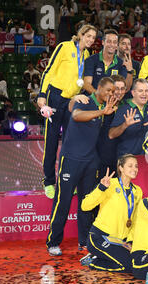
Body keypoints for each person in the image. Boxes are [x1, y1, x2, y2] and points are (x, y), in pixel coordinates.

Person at [45, 77, 118, 257]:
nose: (111, 93)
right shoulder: (85, 100)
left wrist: (106, 113)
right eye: (108, 90)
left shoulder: (106, 109)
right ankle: (53, 242)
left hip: (90, 161)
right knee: (63, 201)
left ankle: (84, 241)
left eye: (113, 91)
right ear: (98, 88)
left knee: (86, 202)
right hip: (71, 159)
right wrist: (101, 112)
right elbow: (76, 116)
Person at [38, 24, 98, 199]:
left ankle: (66, 181)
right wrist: (42, 94)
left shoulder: (86, 55)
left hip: (71, 101)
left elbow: (80, 82)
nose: (90, 40)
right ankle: (48, 181)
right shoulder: (64, 47)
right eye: (88, 36)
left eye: (93, 38)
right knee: (51, 141)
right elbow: (49, 71)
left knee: (69, 143)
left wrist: (79, 96)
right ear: (80, 34)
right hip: (55, 97)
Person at [80, 154, 143, 272]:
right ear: (121, 168)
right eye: (130, 166)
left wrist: (130, 240)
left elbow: (135, 219)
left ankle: (99, 257)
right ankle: (93, 262)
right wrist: (101, 188)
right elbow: (85, 206)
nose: (134, 169)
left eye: (136, 166)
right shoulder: (109, 184)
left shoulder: (137, 191)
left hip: (120, 241)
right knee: (129, 266)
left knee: (136, 262)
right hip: (100, 237)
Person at [109, 78, 148, 159]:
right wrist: (125, 125)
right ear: (133, 93)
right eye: (140, 91)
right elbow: (111, 135)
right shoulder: (124, 109)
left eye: (146, 91)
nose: (144, 94)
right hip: (127, 159)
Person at [83, 29, 127, 95]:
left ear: (117, 45)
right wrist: (99, 96)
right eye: (109, 41)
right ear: (103, 42)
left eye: (114, 42)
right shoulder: (91, 60)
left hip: (111, 100)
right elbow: (86, 84)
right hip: (93, 100)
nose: (112, 44)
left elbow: (121, 88)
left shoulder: (121, 63)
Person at [117, 33, 140, 100]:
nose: (127, 46)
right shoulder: (112, 63)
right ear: (117, 45)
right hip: (115, 100)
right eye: (123, 43)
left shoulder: (136, 65)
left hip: (131, 101)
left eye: (129, 44)